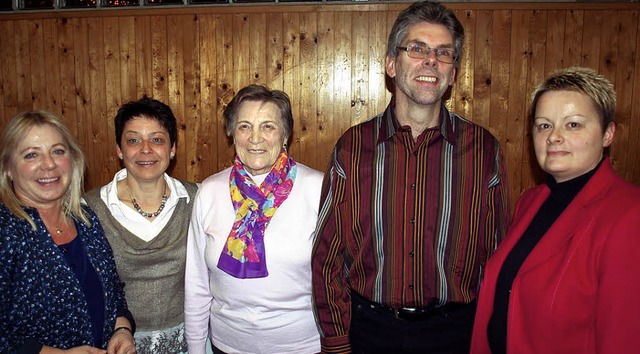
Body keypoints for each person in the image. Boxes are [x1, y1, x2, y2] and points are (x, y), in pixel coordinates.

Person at [311, 1, 511, 353]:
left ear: (453, 72)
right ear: (391, 64)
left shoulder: (484, 151)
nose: (430, 61)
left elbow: (498, 257)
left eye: (443, 53)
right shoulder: (353, 148)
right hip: (370, 332)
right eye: (417, 49)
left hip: (457, 333)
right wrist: (336, 341)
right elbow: (327, 258)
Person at [470, 67, 640, 353]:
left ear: (608, 133)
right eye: (544, 125)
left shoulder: (629, 215)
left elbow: (622, 338)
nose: (553, 137)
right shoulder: (531, 201)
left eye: (573, 124)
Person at [184, 84, 323, 354]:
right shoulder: (209, 192)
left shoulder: (318, 189)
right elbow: (197, 285)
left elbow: (337, 281)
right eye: (245, 126)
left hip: (301, 347)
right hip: (227, 346)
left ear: (285, 135)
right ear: (232, 133)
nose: (255, 138)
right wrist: (196, 349)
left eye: (268, 126)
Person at [0, 111, 136, 354]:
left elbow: (114, 291)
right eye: (32, 154)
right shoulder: (6, 231)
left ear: (72, 160)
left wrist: (122, 330)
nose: (49, 163)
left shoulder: (85, 218)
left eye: (58, 151)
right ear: (8, 167)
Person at [84, 97, 198, 354]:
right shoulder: (89, 209)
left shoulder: (197, 200)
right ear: (119, 150)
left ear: (172, 149)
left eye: (157, 139)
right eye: (133, 140)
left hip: (187, 339)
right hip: (118, 343)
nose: (145, 149)